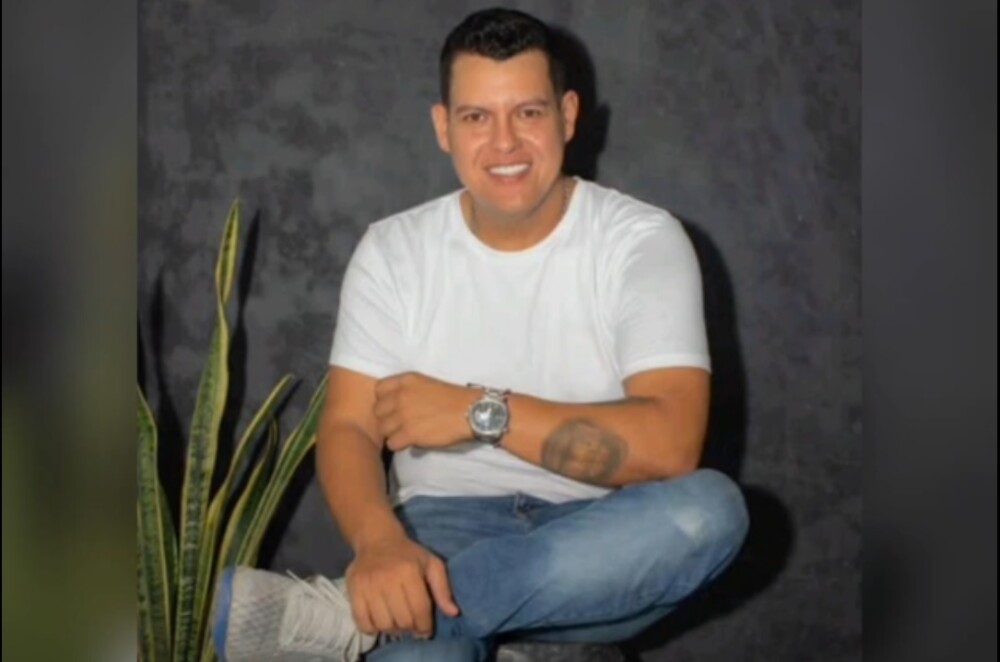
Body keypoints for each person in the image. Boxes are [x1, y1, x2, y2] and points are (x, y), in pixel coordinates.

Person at [211, 7, 749, 662]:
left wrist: (479, 412)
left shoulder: (641, 241)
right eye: (476, 117)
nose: (504, 143)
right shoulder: (393, 251)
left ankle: (357, 620)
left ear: (567, 115)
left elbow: (671, 446)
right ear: (443, 127)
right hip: (437, 530)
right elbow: (348, 426)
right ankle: (497, 636)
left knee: (708, 513)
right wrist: (381, 544)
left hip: (594, 545)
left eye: (528, 112)